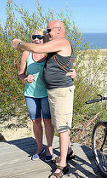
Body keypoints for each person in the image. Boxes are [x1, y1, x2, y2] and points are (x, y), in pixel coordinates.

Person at [12, 20, 75, 178]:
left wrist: (19, 43)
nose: (46, 34)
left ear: (59, 30)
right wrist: (72, 72)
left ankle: (61, 165)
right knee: (53, 122)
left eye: (48, 31)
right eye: (43, 32)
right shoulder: (54, 46)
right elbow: (63, 63)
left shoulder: (60, 42)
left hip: (59, 92)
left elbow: (36, 48)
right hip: (51, 92)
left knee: (60, 126)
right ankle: (66, 151)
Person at [18, 29, 54, 161]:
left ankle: (49, 148)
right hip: (30, 94)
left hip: (46, 93)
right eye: (34, 37)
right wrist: (25, 78)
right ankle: (40, 148)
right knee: (35, 121)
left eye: (40, 37)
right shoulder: (26, 53)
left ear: (45, 39)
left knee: (48, 121)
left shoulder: (49, 53)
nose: (36, 39)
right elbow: (21, 73)